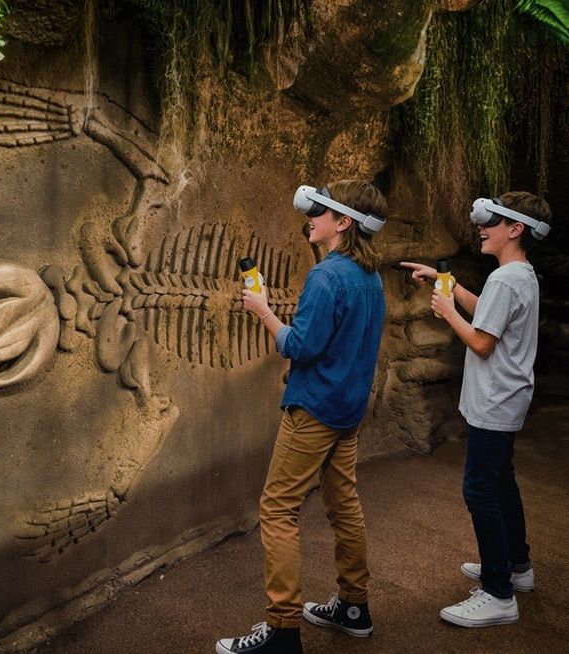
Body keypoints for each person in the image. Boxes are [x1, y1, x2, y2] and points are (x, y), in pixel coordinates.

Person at [216, 180, 388, 654]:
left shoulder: (328, 277)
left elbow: (300, 345)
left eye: (320, 212)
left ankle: (283, 631)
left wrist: (264, 311)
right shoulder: (370, 277)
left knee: (276, 508)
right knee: (343, 503)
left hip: (313, 410)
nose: (310, 218)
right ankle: (355, 607)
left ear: (344, 222)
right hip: (348, 411)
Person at [401, 191, 552, 628]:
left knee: (480, 490)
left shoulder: (507, 280)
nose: (481, 229)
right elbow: (489, 314)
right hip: (507, 397)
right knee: (501, 481)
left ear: (515, 229)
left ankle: (498, 593)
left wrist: (446, 311)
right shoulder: (519, 275)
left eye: (491, 222)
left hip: (495, 400)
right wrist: (444, 284)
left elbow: (483, 342)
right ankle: (516, 569)